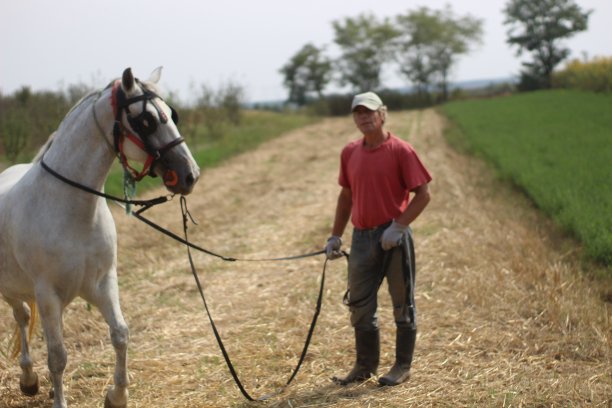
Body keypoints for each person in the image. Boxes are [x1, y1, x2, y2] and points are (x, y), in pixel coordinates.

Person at [325, 91, 432, 386]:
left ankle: (401, 366)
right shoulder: (349, 152)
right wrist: (336, 235)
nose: (364, 117)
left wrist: (398, 227)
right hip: (361, 239)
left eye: (369, 112)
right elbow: (346, 197)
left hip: (393, 238)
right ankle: (365, 367)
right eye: (358, 113)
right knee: (360, 306)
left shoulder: (401, 150)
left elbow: (423, 195)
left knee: (402, 303)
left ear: (382, 114)